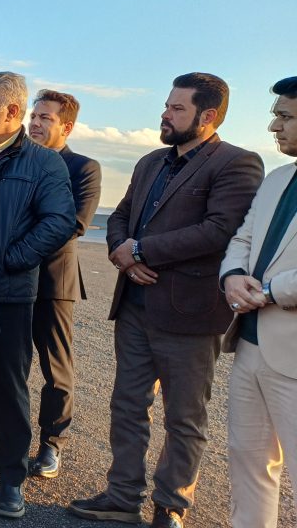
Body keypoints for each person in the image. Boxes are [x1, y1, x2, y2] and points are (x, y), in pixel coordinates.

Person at [70, 72, 264, 528]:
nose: (165, 114)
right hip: (134, 306)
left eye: (177, 108)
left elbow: (219, 230)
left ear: (207, 115)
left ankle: (171, 507)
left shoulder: (237, 163)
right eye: (167, 105)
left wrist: (140, 250)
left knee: (184, 418)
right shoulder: (149, 162)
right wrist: (123, 256)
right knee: (126, 407)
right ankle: (122, 498)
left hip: (190, 313)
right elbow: (119, 216)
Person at [0, 71, 76, 518]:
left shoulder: (44, 163)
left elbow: (59, 221)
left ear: (12, 111)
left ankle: (11, 480)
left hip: (9, 296)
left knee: (8, 392)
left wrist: (10, 259)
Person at [219, 76, 297, 528]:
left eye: (285, 116)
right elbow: (243, 238)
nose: (273, 126)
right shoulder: (277, 178)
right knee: (248, 461)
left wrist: (268, 292)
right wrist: (231, 276)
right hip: (249, 344)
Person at [25, 89, 102, 479]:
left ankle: (52, 445)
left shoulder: (83, 168)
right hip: (10, 280)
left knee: (56, 370)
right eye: (34, 116)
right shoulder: (16, 159)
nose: (35, 123)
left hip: (54, 280)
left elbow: (75, 224)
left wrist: (18, 248)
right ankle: (10, 436)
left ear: (66, 126)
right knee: (5, 366)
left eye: (46, 118)